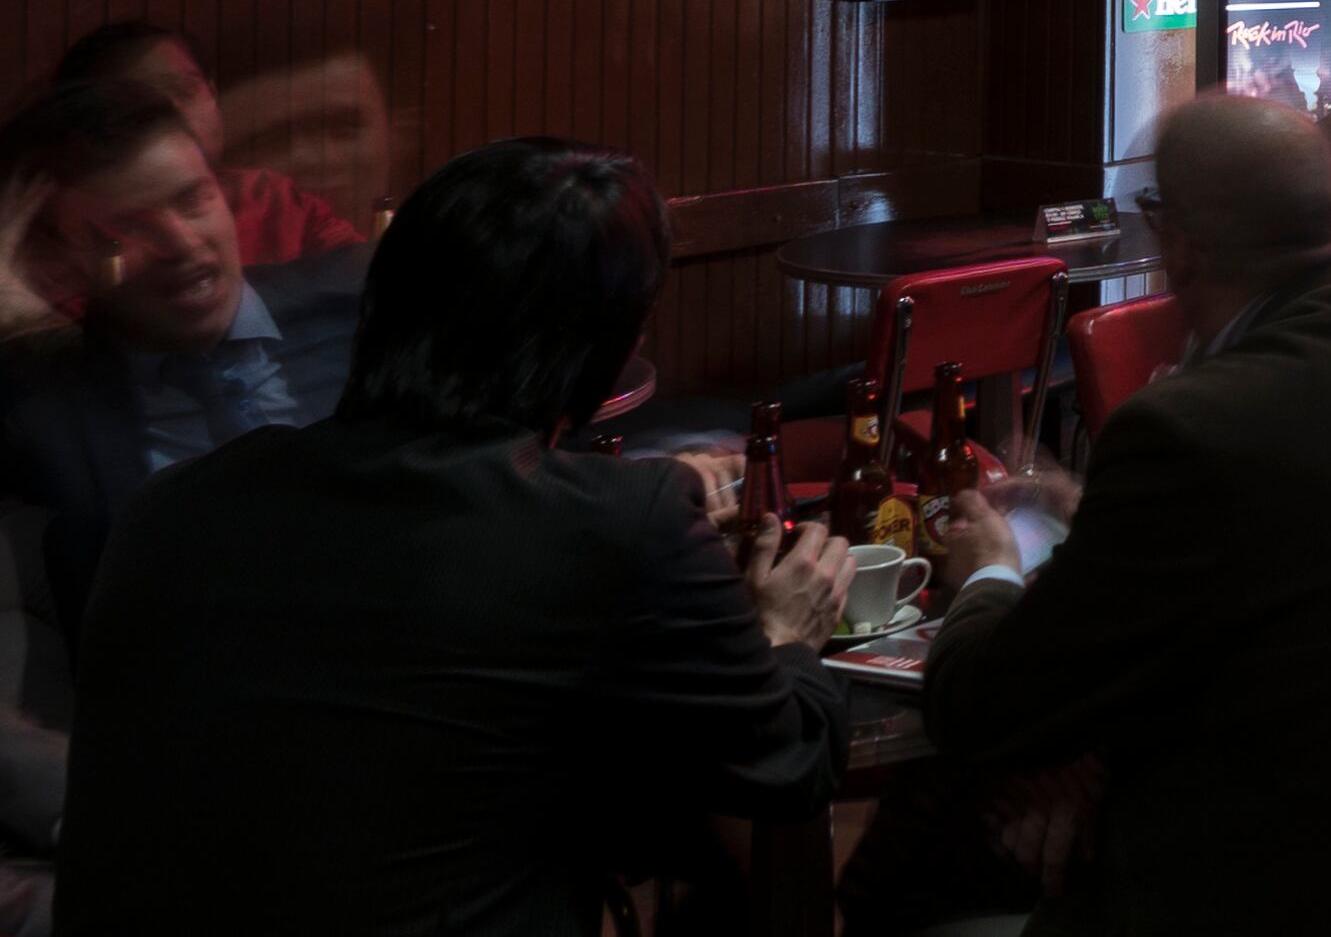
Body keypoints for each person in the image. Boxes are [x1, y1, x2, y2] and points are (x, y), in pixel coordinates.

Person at [60, 139, 853, 936]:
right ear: (610, 349)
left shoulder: (167, 509)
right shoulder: (616, 521)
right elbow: (787, 764)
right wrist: (786, 636)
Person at [916, 95, 1331, 934]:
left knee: (928, 850)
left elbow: (984, 708)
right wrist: (1100, 521)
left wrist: (988, 564)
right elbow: (1298, 561)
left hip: (1328, 885)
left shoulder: (1189, 428)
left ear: (1181, 246)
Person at [0, 78, 366, 624]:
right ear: (58, 262)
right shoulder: (41, 409)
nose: (183, 245)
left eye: (194, 199)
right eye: (123, 232)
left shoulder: (361, 311)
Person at [45, 20, 366, 270]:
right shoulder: (78, 223)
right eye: (142, 103)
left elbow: (367, 279)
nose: (174, 116)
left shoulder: (271, 200)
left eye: (184, 92)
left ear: (212, 94)